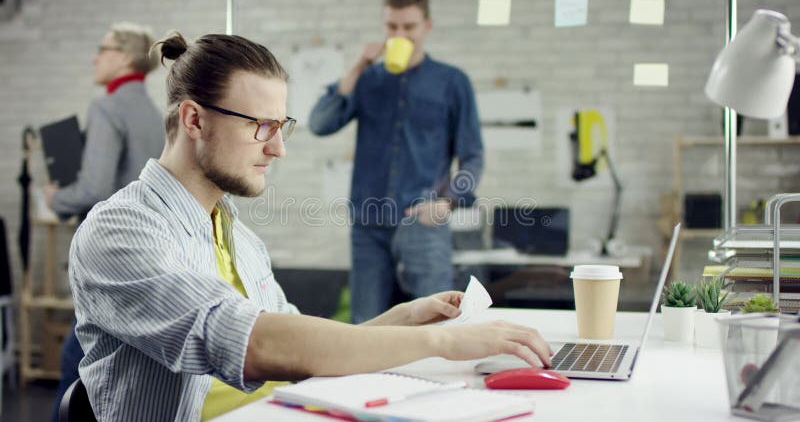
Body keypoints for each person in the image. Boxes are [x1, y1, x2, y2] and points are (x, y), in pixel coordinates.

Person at [68, 32, 550, 421]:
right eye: (262, 127)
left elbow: (298, 348)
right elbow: (258, 344)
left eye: (283, 127)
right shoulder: (121, 231)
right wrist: (441, 343)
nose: (278, 149)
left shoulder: (242, 240)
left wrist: (402, 317)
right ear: (194, 119)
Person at [309, 0, 484, 323]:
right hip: (368, 226)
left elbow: (472, 156)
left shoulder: (452, 82)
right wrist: (359, 64)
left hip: (424, 224)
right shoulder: (367, 79)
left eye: (409, 27)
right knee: (365, 326)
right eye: (392, 27)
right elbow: (320, 122)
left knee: (436, 325)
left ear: (427, 26)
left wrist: (447, 201)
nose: (400, 34)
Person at [44, 22, 164, 422]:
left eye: (103, 48)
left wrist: (55, 198)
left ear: (125, 58)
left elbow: (94, 187)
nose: (95, 56)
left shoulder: (107, 106)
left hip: (111, 253)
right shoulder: (153, 111)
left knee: (73, 368)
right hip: (152, 251)